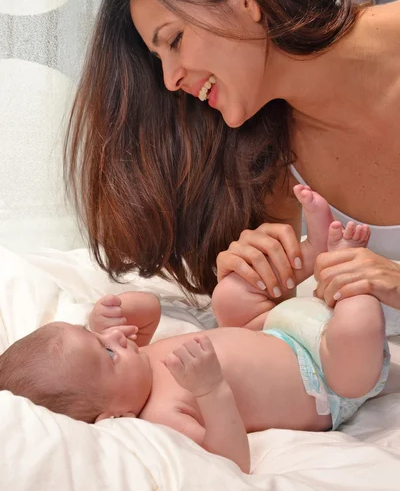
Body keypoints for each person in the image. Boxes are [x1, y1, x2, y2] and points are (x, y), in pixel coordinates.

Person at [64, 0, 400, 311]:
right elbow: (283, 346)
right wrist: (251, 285)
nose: (170, 81)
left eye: (174, 40)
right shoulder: (277, 170)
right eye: (158, 60)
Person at [0, 188, 390, 473]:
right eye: (106, 353)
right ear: (112, 417)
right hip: (328, 378)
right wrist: (210, 388)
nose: (115, 339)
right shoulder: (161, 414)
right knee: (356, 325)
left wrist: (120, 313)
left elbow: (150, 313)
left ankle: (316, 251)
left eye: (96, 336)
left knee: (230, 294)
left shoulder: (138, 366)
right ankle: (343, 269)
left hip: (274, 331)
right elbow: (229, 459)